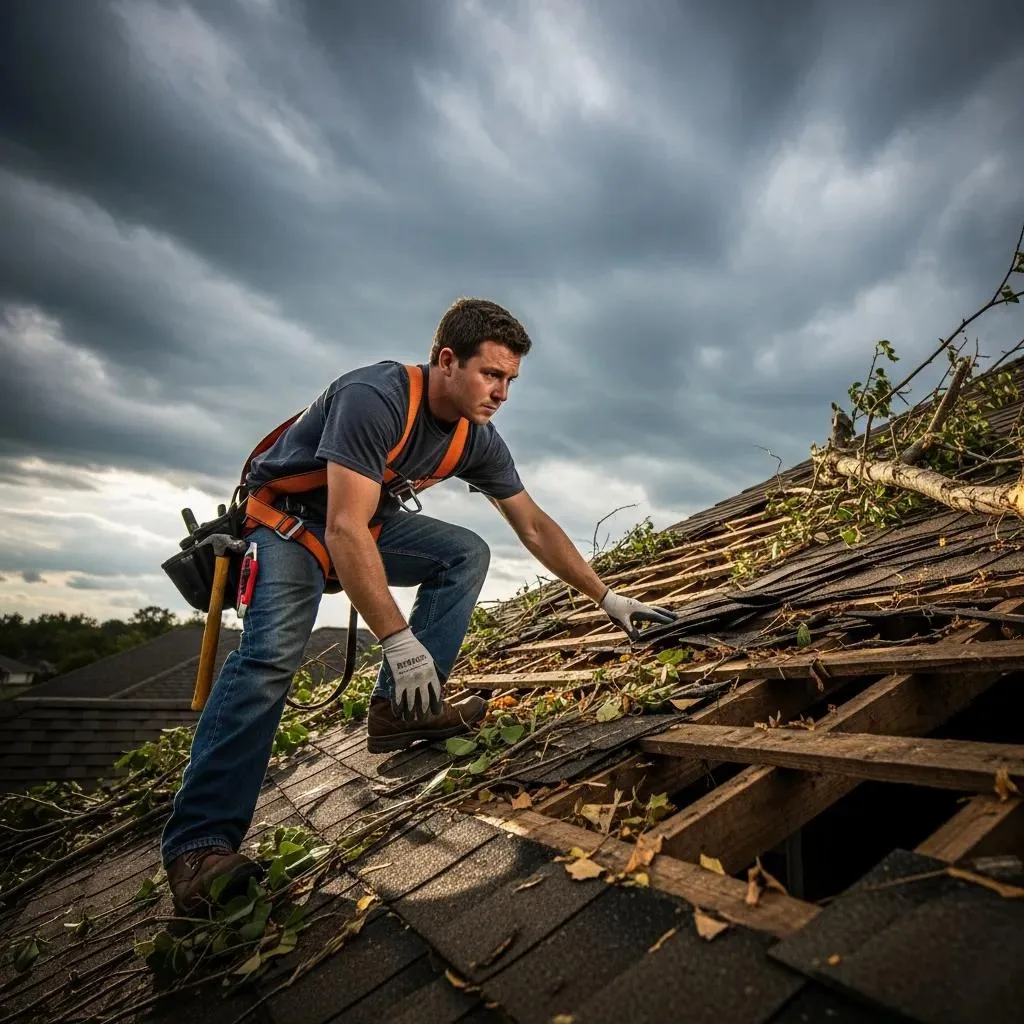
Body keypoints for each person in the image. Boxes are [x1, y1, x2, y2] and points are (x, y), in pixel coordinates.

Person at [163, 297, 675, 914]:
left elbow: (533, 525)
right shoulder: (374, 398)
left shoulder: (475, 438)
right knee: (271, 658)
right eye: (492, 374)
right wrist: (399, 642)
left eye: (511, 380)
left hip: (358, 527)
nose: (502, 393)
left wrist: (608, 596)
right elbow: (345, 530)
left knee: (465, 553)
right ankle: (201, 846)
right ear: (447, 361)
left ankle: (401, 711)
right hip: (286, 528)